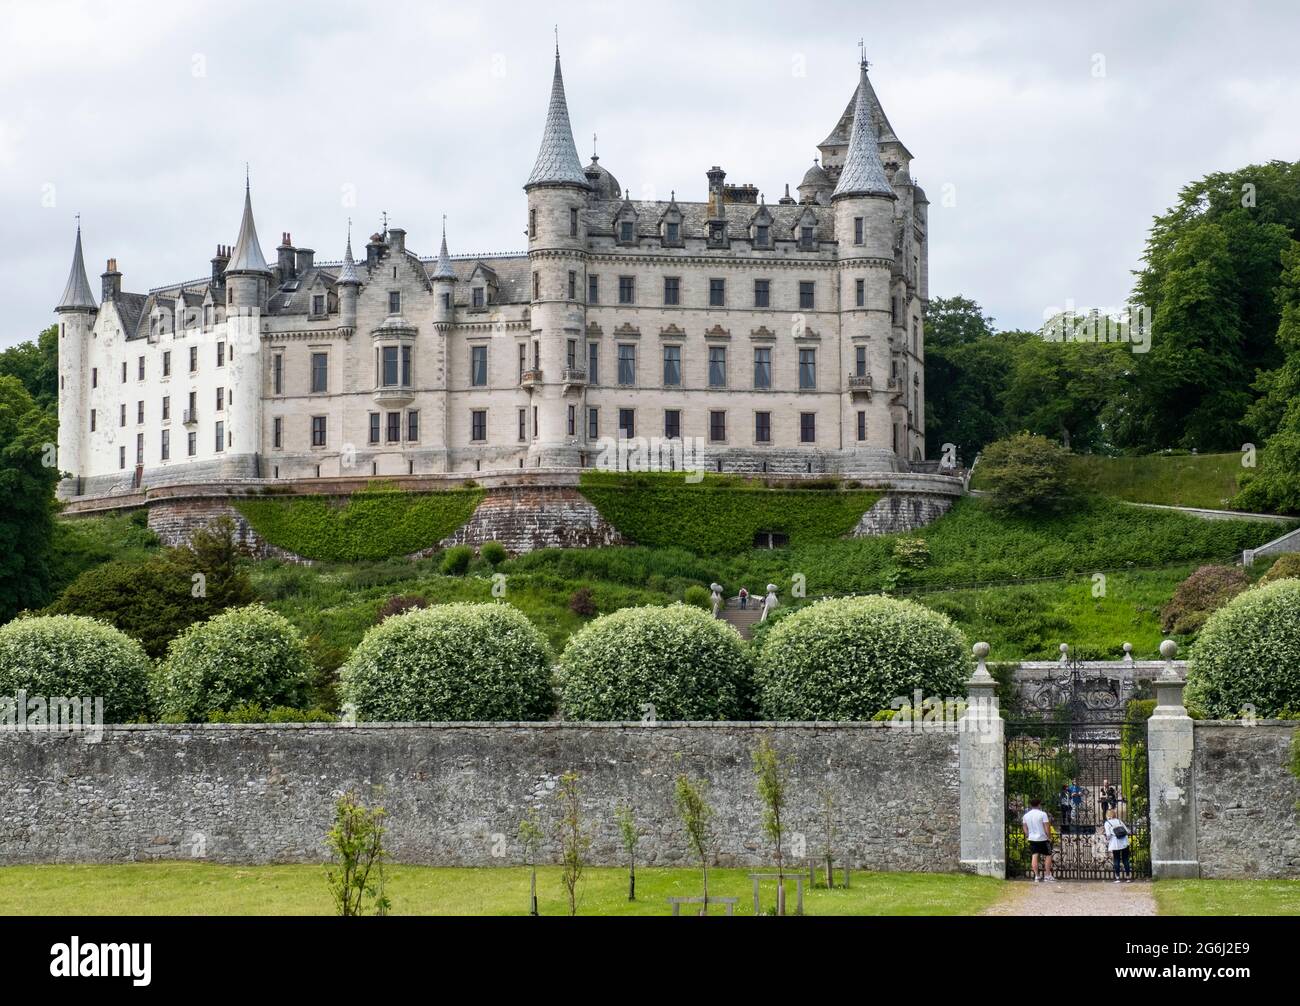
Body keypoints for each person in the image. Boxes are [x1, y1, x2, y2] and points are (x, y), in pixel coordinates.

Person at [1022, 798, 1055, 882]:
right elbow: (1047, 827)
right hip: (1042, 838)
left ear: (1031, 805)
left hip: (1032, 838)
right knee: (1048, 855)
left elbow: (1025, 827)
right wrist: (1049, 836)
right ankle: (1047, 875)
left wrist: (1027, 835)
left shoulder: (1026, 815)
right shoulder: (1042, 814)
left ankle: (1037, 876)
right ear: (1039, 804)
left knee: (1034, 855)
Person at [1104, 807, 1132, 883]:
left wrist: (1107, 840)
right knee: (1125, 859)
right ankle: (1128, 877)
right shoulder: (1119, 821)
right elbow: (1127, 830)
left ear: (1108, 815)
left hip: (1115, 843)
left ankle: (1117, 878)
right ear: (1114, 814)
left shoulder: (1107, 823)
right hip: (1124, 842)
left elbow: (1108, 834)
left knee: (1116, 859)